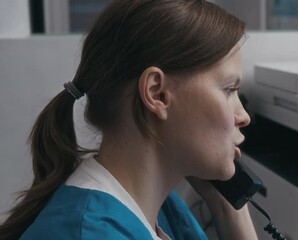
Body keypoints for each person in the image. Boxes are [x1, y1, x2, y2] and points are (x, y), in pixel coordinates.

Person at [0, 0, 258, 239]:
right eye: (229, 90)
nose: (243, 117)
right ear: (157, 93)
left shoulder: (160, 208)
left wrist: (228, 208)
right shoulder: (88, 233)